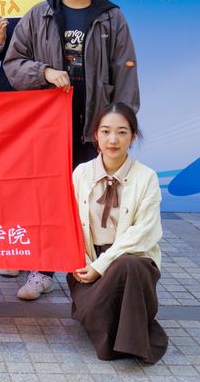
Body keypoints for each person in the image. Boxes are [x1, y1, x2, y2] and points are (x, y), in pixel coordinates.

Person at [3, 0, 139, 301]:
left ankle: (96, 274)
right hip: (50, 127)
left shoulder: (111, 17)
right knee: (48, 198)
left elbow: (126, 73)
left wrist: (120, 129)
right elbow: (13, 63)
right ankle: (42, 271)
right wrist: (45, 72)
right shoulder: (40, 14)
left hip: (94, 127)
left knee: (97, 202)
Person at [67, 102, 167, 364]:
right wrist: (84, 262)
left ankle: (130, 344)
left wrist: (102, 265)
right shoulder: (81, 173)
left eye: (122, 132)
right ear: (95, 135)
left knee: (127, 265)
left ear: (133, 136)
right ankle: (122, 328)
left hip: (134, 260)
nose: (113, 140)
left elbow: (145, 231)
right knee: (91, 311)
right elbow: (70, 223)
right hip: (89, 261)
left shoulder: (147, 177)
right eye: (106, 131)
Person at [0, 0, 56, 282]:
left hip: (49, 101)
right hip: (8, 98)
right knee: (9, 175)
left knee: (44, 177)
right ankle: (10, 246)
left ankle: (42, 254)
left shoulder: (62, 2)